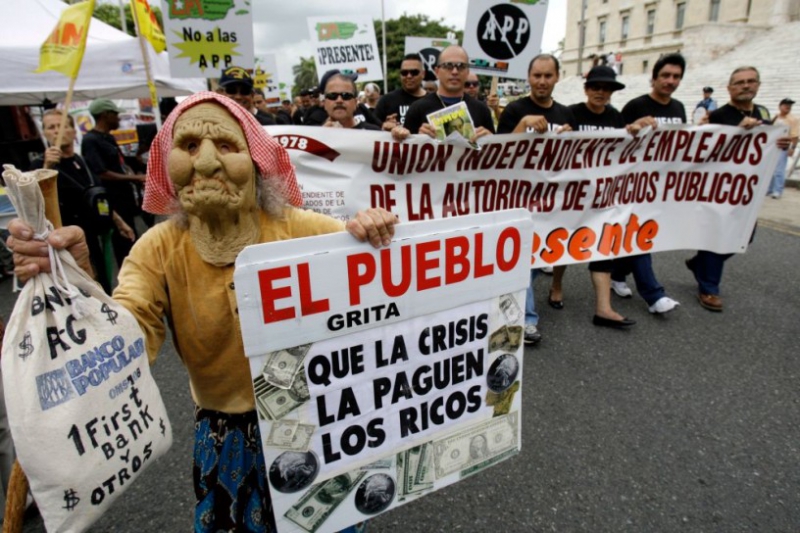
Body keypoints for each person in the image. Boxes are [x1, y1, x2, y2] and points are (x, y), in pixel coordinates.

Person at [6, 91, 397, 532]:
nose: (205, 163)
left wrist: (371, 230)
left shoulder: (301, 229)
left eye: (225, 146)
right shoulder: (157, 248)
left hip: (317, 422)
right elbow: (123, 341)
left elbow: (380, 278)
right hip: (227, 436)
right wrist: (75, 283)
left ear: (255, 162)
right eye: (188, 147)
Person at [686, 66, 791, 312]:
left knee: (745, 237)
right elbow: (703, 151)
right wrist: (736, 134)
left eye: (751, 81)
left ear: (758, 85)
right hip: (717, 190)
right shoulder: (718, 116)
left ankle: (700, 264)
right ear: (730, 88)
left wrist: (780, 142)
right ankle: (709, 288)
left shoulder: (763, 112)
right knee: (718, 237)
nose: (746, 85)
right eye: (740, 82)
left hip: (746, 192)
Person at [496, 53, 577, 345]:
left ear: (557, 77)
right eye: (537, 76)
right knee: (525, 256)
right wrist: (522, 126)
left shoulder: (567, 114)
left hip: (553, 199)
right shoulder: (515, 110)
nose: (542, 81)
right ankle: (527, 319)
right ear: (528, 78)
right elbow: (498, 156)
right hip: (520, 197)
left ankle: (545, 291)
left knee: (551, 248)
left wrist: (570, 138)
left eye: (548, 76)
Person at [567, 66, 654, 328]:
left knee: (604, 247)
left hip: (603, 198)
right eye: (595, 87)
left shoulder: (617, 119)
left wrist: (637, 130)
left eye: (606, 89)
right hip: (570, 197)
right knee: (548, 250)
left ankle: (603, 309)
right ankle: (537, 298)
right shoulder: (571, 113)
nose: (600, 92)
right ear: (586, 89)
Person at [610, 53, 686, 315]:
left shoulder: (678, 108)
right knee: (640, 236)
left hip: (660, 187)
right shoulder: (635, 105)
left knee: (640, 235)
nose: (670, 81)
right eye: (665, 75)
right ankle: (654, 295)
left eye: (676, 77)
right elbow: (614, 144)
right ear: (653, 78)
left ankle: (617, 274)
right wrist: (632, 128)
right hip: (632, 186)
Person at [33, 110, 135, 293]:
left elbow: (96, 196)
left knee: (102, 285)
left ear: (73, 131)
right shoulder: (39, 167)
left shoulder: (83, 161)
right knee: (80, 291)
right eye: (51, 127)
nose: (57, 131)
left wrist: (119, 222)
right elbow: (36, 201)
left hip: (91, 238)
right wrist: (47, 167)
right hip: (63, 242)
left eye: (63, 125)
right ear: (45, 134)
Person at [81, 98, 146, 267]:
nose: (118, 119)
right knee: (124, 243)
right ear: (105, 115)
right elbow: (101, 174)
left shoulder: (108, 138)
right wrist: (135, 178)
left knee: (133, 240)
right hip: (113, 202)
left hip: (126, 199)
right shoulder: (90, 141)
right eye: (116, 115)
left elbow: (119, 164)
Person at [401, 46, 495, 140]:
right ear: (437, 71)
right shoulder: (417, 109)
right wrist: (418, 139)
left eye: (461, 66)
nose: (454, 72)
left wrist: (490, 141)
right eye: (448, 66)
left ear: (467, 72)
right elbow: (405, 150)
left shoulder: (482, 110)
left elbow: (493, 152)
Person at [373, 53, 428, 130]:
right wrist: (384, 126)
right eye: (404, 73)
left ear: (423, 74)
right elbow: (371, 130)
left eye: (414, 72)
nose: (409, 76)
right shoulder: (386, 101)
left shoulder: (434, 101)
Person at [767, 98, 798, 198]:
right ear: (780, 106)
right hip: (773, 145)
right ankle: (769, 189)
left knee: (779, 170)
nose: (787, 107)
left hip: (783, 145)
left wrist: (792, 148)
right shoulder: (776, 117)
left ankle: (777, 190)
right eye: (785, 105)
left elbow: (795, 135)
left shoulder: (793, 119)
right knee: (770, 169)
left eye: (789, 106)